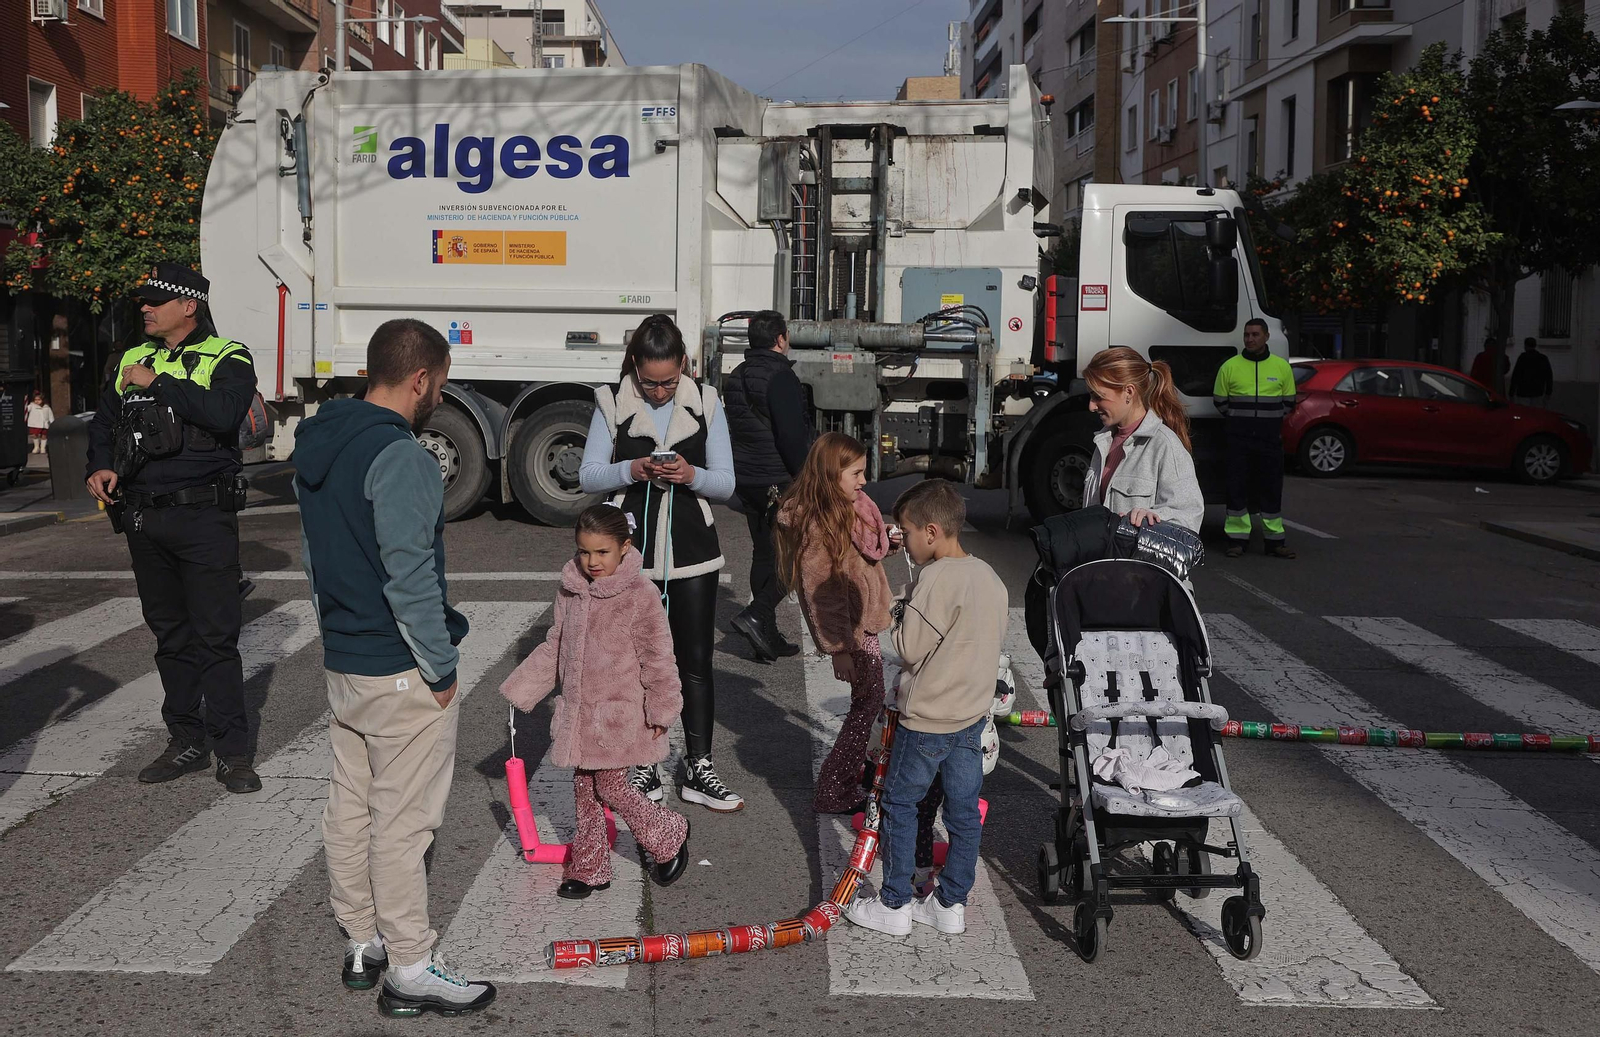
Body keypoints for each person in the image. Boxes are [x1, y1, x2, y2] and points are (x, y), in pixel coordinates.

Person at [294, 318, 495, 1017]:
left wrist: (335, 634)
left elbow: (316, 558)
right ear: (419, 378)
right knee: (403, 822)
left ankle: (362, 939)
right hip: (400, 665)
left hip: (347, 657)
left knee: (350, 805)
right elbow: (409, 576)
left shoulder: (320, 442)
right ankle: (411, 964)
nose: (438, 393)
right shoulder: (403, 455)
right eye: (438, 382)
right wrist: (440, 666)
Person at [85, 262, 260, 793]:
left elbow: (225, 413)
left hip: (204, 516)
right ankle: (185, 740)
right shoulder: (129, 359)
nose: (145, 308)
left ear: (188, 306)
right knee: (170, 637)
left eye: (155, 300)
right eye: (143, 301)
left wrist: (160, 382)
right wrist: (99, 465)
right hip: (143, 515)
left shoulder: (228, 355)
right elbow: (105, 424)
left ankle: (232, 752)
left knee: (215, 639)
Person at [579, 314, 744, 812]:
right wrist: (634, 469)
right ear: (633, 367)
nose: (658, 392)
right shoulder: (609, 401)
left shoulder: (708, 400)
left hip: (694, 554)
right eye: (649, 382)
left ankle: (699, 766)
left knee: (694, 663)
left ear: (685, 367)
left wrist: (690, 474)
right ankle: (645, 762)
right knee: (637, 666)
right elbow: (588, 476)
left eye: (669, 382)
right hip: (631, 557)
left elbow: (727, 483)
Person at [499, 504, 692, 901]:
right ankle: (590, 868)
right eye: (584, 551)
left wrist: (661, 708)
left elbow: (658, 656)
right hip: (579, 714)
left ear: (625, 546)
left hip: (618, 713)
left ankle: (667, 831)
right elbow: (556, 643)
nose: (591, 561)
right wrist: (523, 689)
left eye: (602, 552)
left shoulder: (640, 595)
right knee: (585, 789)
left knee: (611, 786)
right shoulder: (570, 588)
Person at [846, 479, 1007, 938]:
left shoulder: (935, 580)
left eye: (908, 533)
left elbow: (909, 647)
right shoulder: (989, 577)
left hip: (926, 722)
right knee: (962, 814)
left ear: (932, 532)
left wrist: (896, 607)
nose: (906, 542)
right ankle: (950, 903)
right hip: (971, 720)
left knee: (900, 803)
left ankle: (894, 903)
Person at [773, 432, 899, 814]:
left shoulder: (850, 506)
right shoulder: (819, 524)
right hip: (852, 632)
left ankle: (846, 775)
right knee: (867, 703)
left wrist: (888, 543)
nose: (863, 481)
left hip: (864, 623)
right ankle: (835, 787)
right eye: (856, 473)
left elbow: (862, 557)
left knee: (868, 700)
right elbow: (823, 597)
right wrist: (840, 649)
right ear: (831, 474)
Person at [723, 310, 813, 662]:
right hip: (778, 481)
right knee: (797, 555)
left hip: (746, 480)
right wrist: (806, 478)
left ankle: (765, 636)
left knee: (764, 553)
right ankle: (758, 614)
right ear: (780, 338)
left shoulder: (737, 376)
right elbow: (791, 437)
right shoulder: (782, 377)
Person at [1082, 346, 1203, 533]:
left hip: (1138, 563)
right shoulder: (1103, 442)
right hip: (1102, 562)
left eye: (1098, 397)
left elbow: (1189, 517)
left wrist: (1153, 519)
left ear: (1129, 392)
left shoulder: (1164, 445)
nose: (1091, 406)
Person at [1213, 319, 1297, 560]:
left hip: (1269, 440)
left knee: (1271, 490)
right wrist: (1244, 421)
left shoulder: (1281, 367)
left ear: (1266, 336)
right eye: (1247, 335)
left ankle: (1274, 542)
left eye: (1255, 334)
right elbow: (1220, 401)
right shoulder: (1230, 366)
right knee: (1237, 489)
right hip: (1238, 440)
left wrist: (1264, 423)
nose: (1250, 339)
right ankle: (1237, 541)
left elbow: (1289, 402)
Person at [1511, 337, 1554, 408]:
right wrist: (1548, 392)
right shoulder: (1543, 358)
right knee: (1536, 414)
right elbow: (1549, 376)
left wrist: (1511, 392)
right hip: (1538, 391)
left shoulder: (1522, 358)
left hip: (1523, 391)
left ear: (1525, 346)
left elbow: (1516, 375)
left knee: (1524, 413)